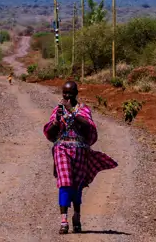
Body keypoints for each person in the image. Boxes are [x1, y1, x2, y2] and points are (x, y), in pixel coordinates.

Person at [43, 80, 117, 234]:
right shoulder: (58, 109)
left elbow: (89, 126)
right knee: (64, 183)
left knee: (77, 185)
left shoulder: (83, 109)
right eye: (64, 93)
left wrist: (72, 112)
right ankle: (63, 221)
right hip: (61, 147)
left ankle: (76, 216)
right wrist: (56, 122)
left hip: (80, 150)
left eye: (70, 93)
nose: (66, 96)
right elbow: (49, 131)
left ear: (76, 93)